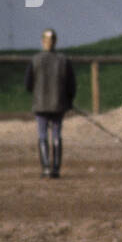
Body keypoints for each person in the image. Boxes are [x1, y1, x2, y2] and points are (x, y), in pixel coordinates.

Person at [25, 28, 76, 178]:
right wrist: (69, 100)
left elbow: (28, 83)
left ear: (43, 41)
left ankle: (46, 167)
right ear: (55, 41)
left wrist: (36, 93)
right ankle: (56, 169)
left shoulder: (35, 60)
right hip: (58, 104)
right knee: (56, 135)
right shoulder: (63, 60)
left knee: (42, 135)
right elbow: (71, 84)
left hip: (40, 104)